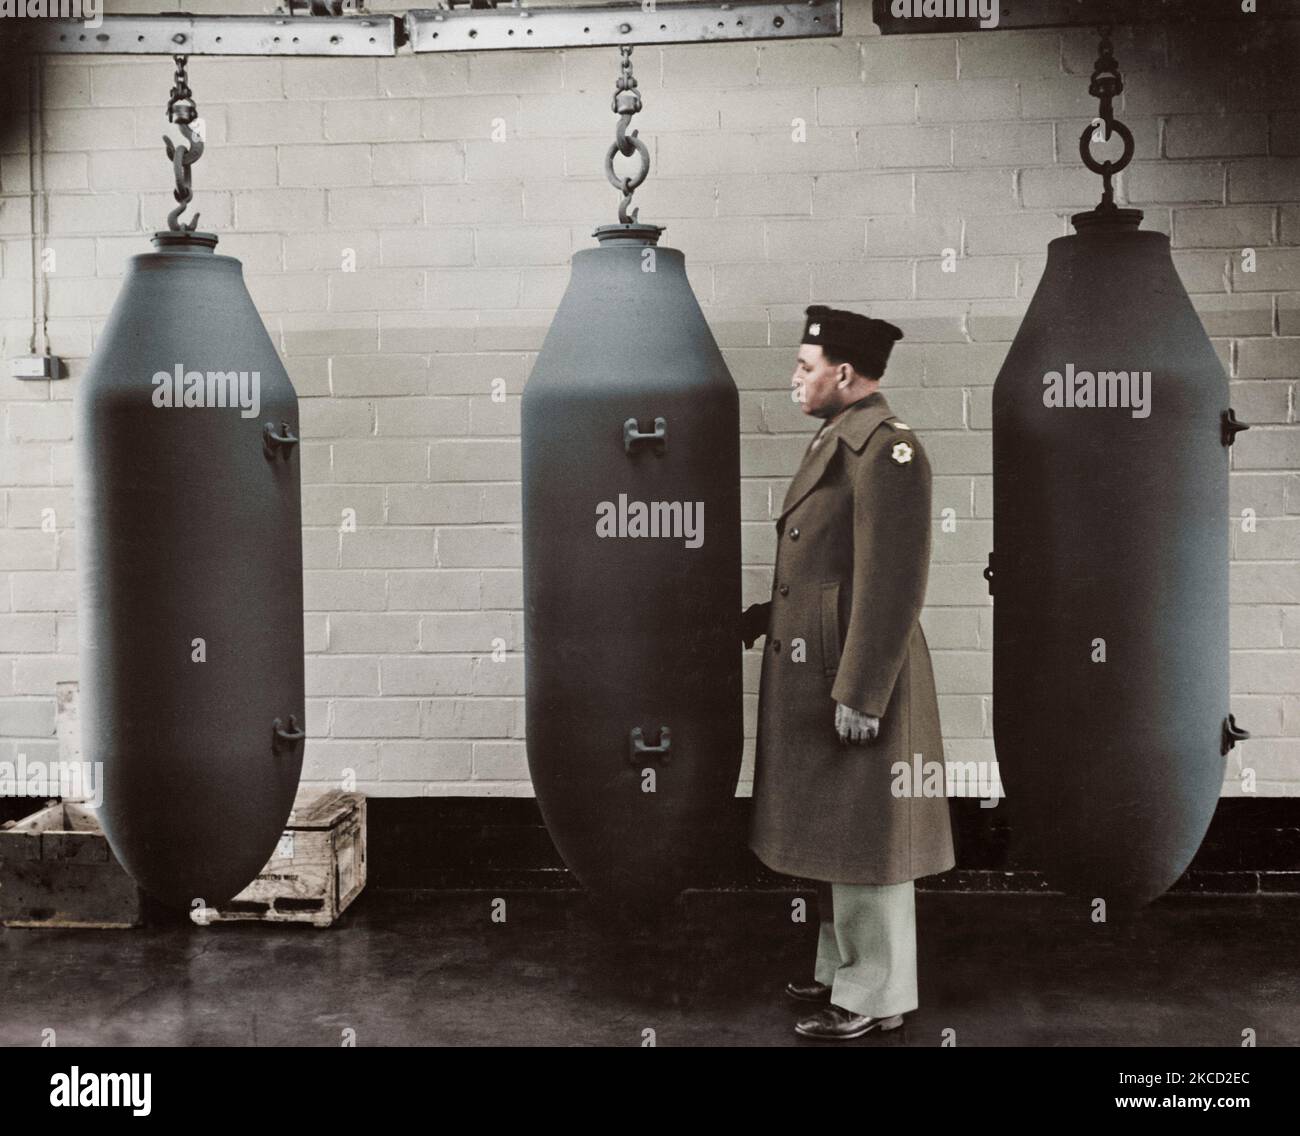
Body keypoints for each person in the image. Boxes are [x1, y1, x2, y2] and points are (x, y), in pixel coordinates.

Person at [742, 305, 954, 1042]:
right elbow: (825, 572)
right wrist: (766, 616)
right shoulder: (838, 441)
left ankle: (878, 993)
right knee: (838, 833)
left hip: (861, 675)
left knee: (870, 839)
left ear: (844, 372)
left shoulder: (888, 452)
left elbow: (893, 583)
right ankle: (843, 971)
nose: (793, 380)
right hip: (824, 669)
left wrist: (863, 692)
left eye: (804, 368)